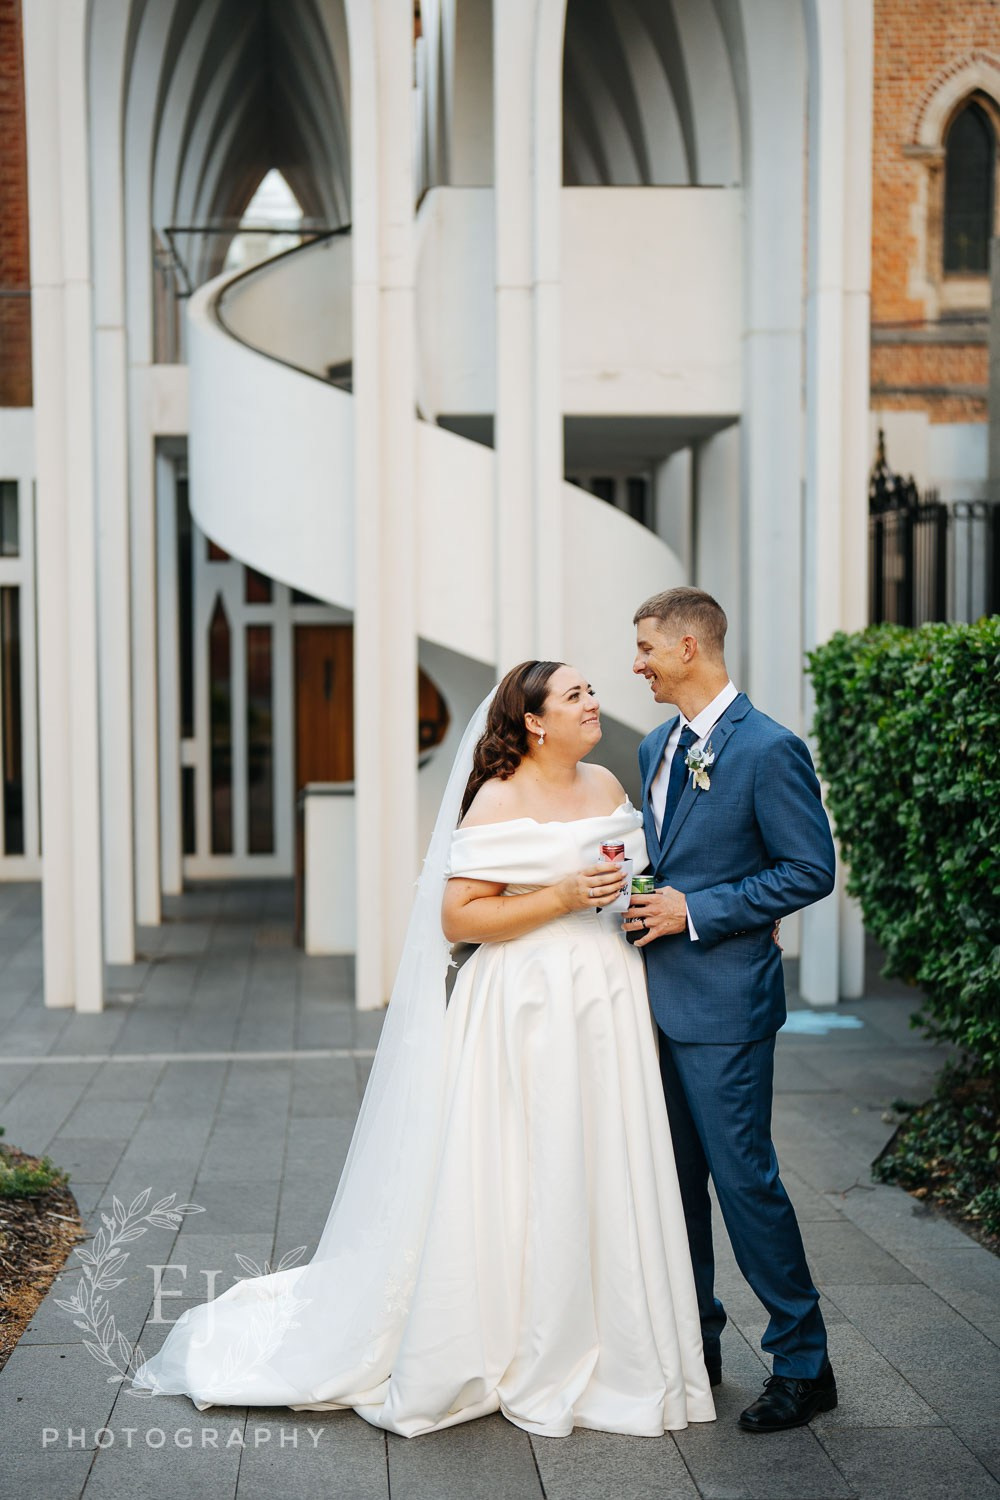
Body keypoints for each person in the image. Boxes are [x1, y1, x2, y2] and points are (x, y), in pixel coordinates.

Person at [133, 660, 716, 1439]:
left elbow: (631, 876)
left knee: (603, 1156)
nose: (593, 702)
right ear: (535, 720)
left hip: (605, 995)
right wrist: (560, 898)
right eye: (575, 694)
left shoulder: (610, 786)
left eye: (591, 691)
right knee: (527, 1159)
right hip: (525, 1002)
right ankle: (518, 1333)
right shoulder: (498, 800)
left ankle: (614, 1340)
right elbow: (459, 919)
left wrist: (652, 901)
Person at [626, 587, 838, 1434]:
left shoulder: (769, 749)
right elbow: (663, 859)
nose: (635, 663)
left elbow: (807, 869)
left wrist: (697, 909)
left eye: (645, 647)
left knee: (746, 1186)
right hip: (651, 1004)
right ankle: (696, 1347)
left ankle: (803, 1363)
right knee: (673, 1190)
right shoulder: (652, 744)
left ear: (687, 646)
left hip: (726, 1006)